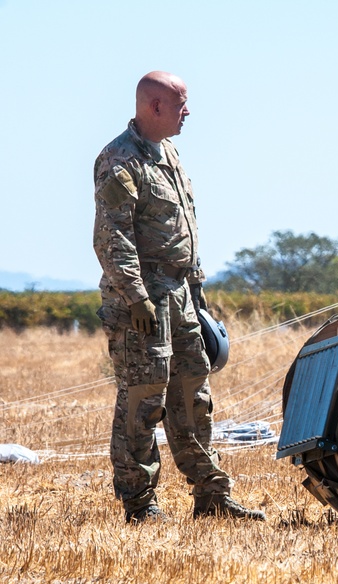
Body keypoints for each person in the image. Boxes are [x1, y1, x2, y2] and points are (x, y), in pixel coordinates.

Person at [93, 71, 264, 524]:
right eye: (181, 105)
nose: (188, 113)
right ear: (154, 107)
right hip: (142, 304)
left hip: (182, 295)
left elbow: (183, 232)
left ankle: (211, 497)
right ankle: (139, 502)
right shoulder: (119, 160)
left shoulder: (169, 154)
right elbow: (113, 239)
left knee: (194, 396)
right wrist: (136, 299)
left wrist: (199, 294)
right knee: (143, 400)